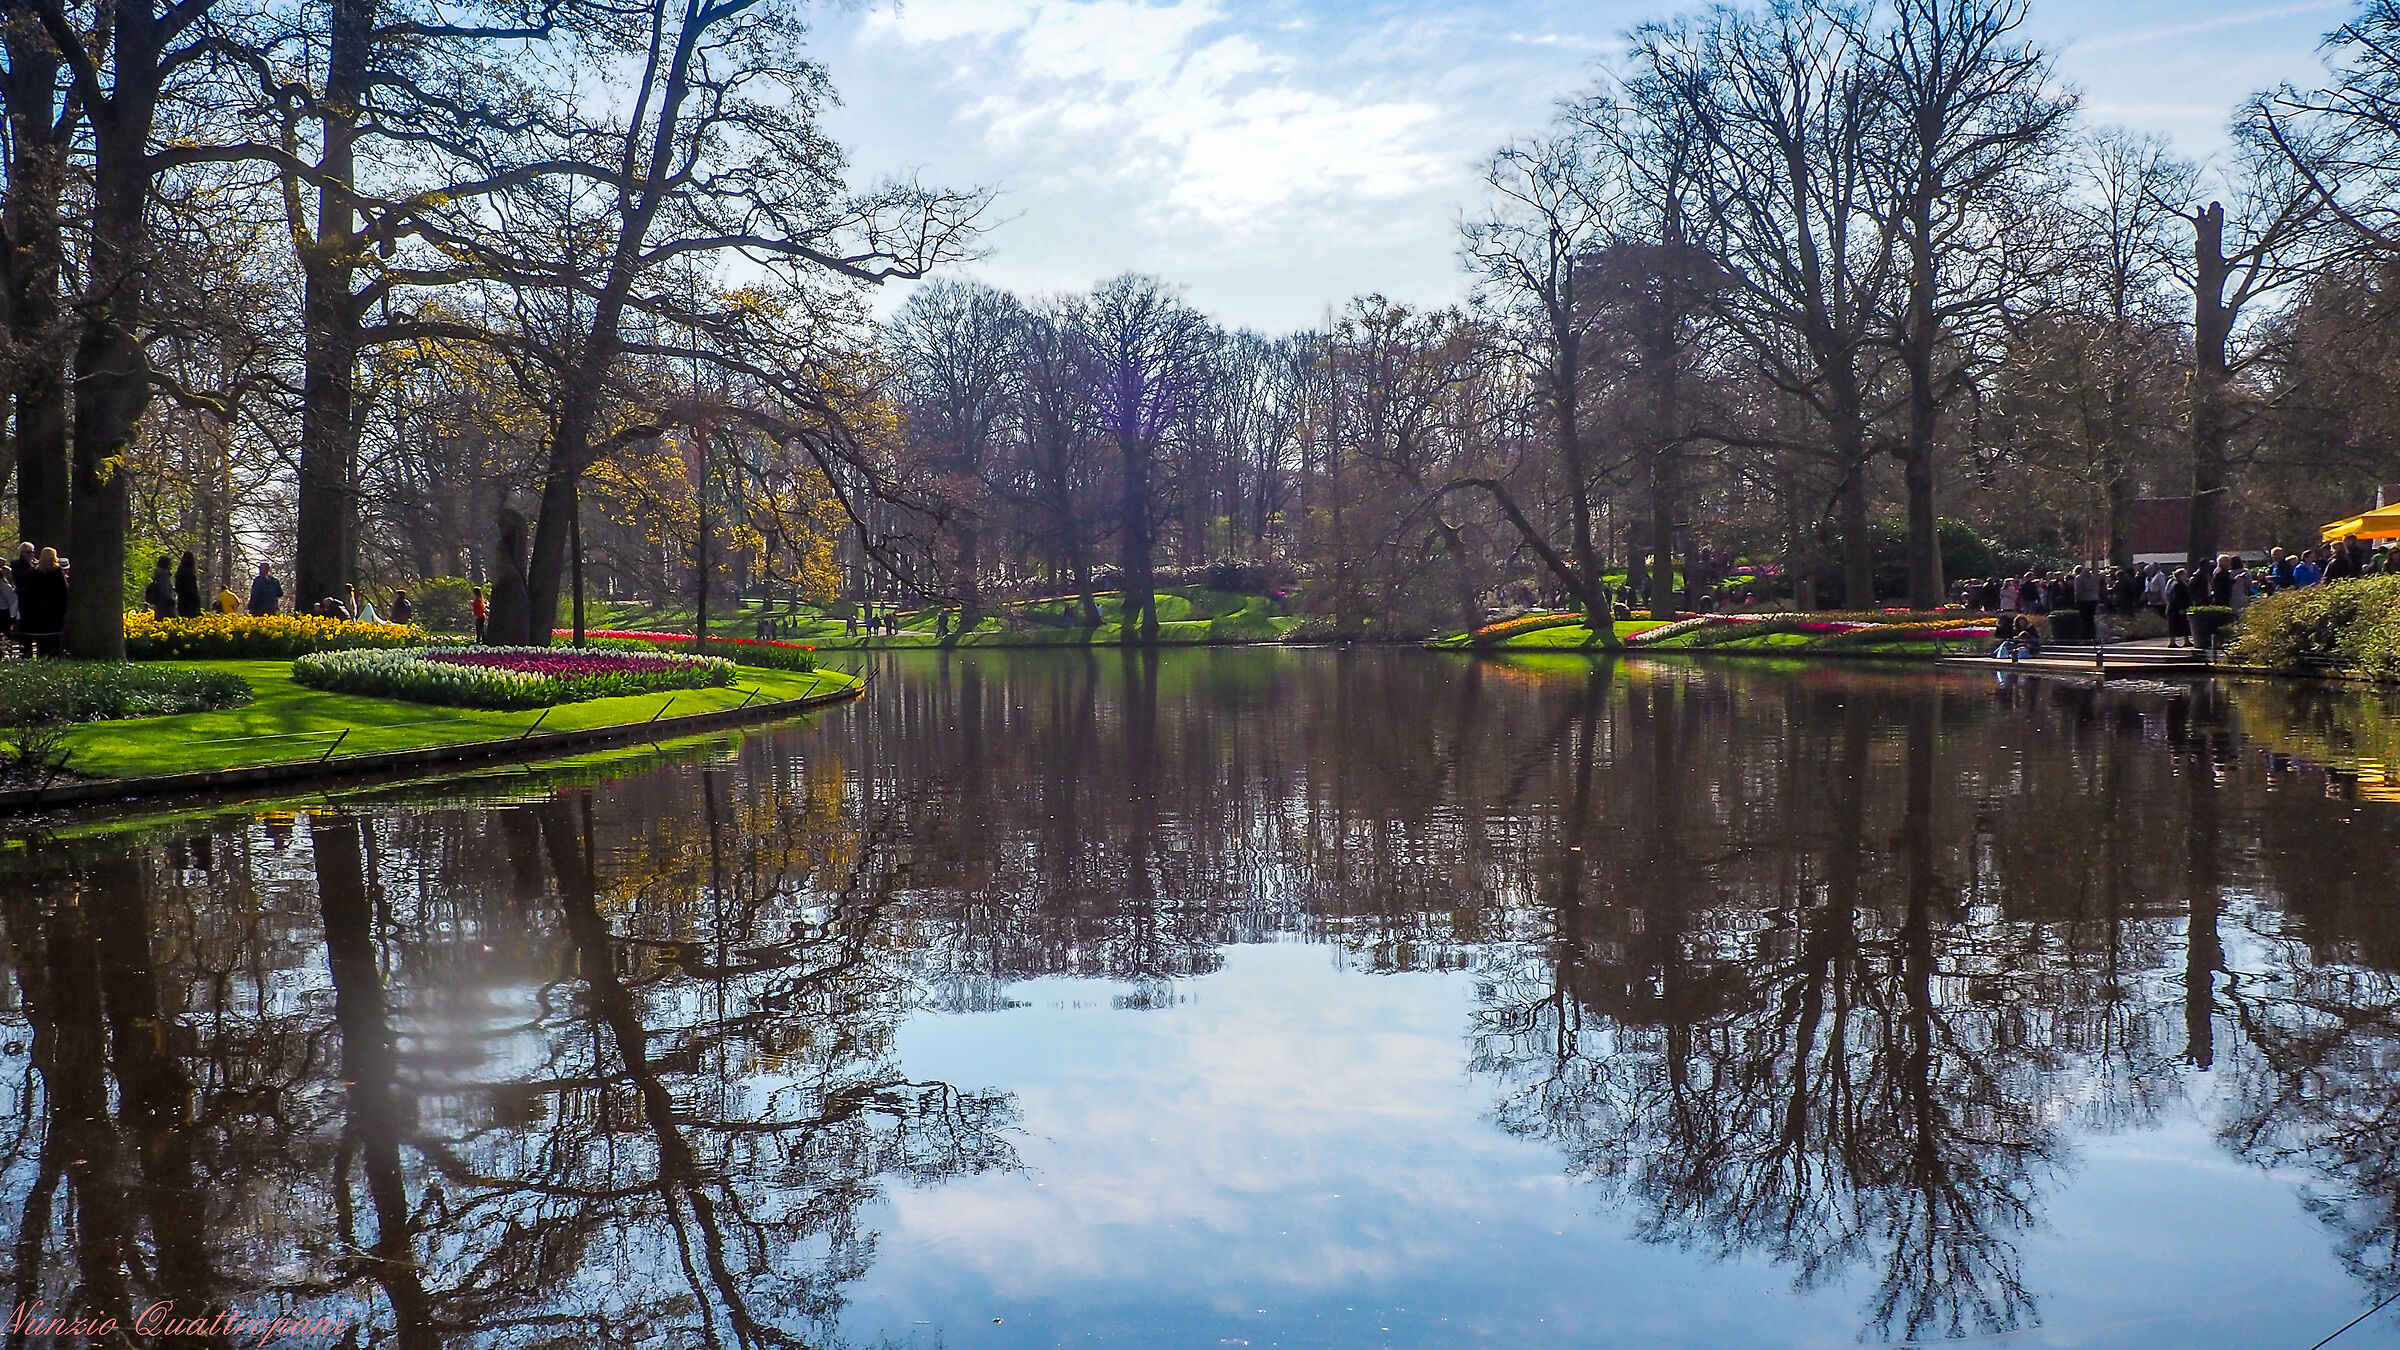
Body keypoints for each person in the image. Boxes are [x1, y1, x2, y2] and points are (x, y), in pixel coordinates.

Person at [16, 547, 66, 655]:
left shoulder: (36, 572)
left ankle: (41, 658)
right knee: (54, 639)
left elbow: (28, 590)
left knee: (41, 640)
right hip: (55, 611)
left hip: (39, 611)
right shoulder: (57, 572)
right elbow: (64, 591)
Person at [2165, 567, 2194, 648]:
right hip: (2176, 609)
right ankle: (2172, 642)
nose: (2186, 576)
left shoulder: (2175, 583)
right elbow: (2177, 598)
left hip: (2175, 608)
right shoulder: (2178, 585)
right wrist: (2181, 608)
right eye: (2184, 574)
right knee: (2175, 625)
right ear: (2180, 575)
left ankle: (2186, 640)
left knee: (2184, 624)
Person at [143, 555, 177, 621]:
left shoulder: (159, 575)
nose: (171, 565)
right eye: (170, 563)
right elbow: (164, 591)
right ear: (166, 564)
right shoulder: (163, 576)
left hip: (159, 606)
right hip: (166, 606)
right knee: (167, 625)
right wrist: (172, 601)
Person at [174, 549, 202, 618]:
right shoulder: (190, 573)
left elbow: (177, 587)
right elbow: (192, 589)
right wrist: (197, 600)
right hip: (190, 603)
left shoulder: (179, 572)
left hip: (181, 602)